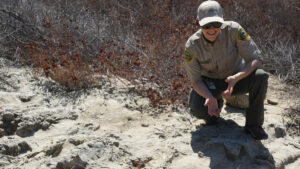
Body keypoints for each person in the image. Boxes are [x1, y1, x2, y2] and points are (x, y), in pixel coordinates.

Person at [184, 0, 269, 140]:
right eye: (206, 25)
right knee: (197, 107)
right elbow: (196, 81)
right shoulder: (192, 45)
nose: (212, 29)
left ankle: (254, 125)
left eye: (216, 24)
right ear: (198, 23)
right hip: (210, 84)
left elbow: (255, 58)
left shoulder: (234, 30)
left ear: (222, 21)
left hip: (236, 80)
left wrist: (237, 77)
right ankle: (214, 115)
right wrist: (210, 98)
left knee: (260, 76)